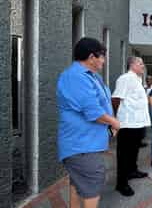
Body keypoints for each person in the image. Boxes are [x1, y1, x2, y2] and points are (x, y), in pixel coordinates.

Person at [57, 37, 120, 208]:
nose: (104, 61)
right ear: (92, 57)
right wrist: (114, 122)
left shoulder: (91, 76)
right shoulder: (76, 77)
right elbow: (93, 111)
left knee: (78, 185)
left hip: (87, 144)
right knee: (92, 185)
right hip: (81, 146)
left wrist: (109, 124)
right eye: (102, 56)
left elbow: (101, 105)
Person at [111, 57, 150, 196]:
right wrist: (116, 119)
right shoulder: (125, 78)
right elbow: (115, 99)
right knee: (124, 154)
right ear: (131, 65)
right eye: (140, 63)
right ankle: (121, 184)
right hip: (127, 124)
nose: (143, 66)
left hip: (138, 123)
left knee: (134, 150)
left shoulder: (137, 80)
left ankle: (132, 171)